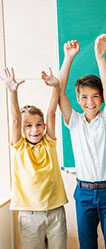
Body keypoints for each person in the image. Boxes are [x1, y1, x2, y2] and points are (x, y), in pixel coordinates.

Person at [58, 35, 106, 249]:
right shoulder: (74, 122)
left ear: (102, 99)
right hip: (84, 192)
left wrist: (99, 56)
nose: (90, 102)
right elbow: (59, 93)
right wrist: (68, 58)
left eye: (95, 96)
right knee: (87, 245)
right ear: (78, 100)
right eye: (84, 97)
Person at [2, 67, 68, 249]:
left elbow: (52, 113)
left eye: (39, 125)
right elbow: (15, 120)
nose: (34, 130)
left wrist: (56, 87)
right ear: (22, 130)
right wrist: (12, 91)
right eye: (28, 125)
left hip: (55, 212)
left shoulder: (49, 143)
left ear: (44, 126)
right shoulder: (19, 146)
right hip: (29, 215)